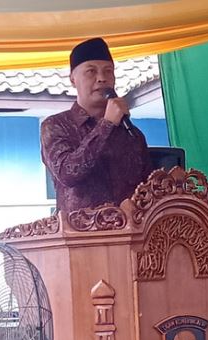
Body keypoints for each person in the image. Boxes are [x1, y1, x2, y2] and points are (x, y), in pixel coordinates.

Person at [41, 37, 152, 213]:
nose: (102, 78)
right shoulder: (55, 126)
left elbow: (147, 190)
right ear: (72, 80)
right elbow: (68, 174)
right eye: (91, 71)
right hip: (79, 230)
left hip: (130, 229)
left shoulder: (131, 134)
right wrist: (106, 125)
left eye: (108, 71)